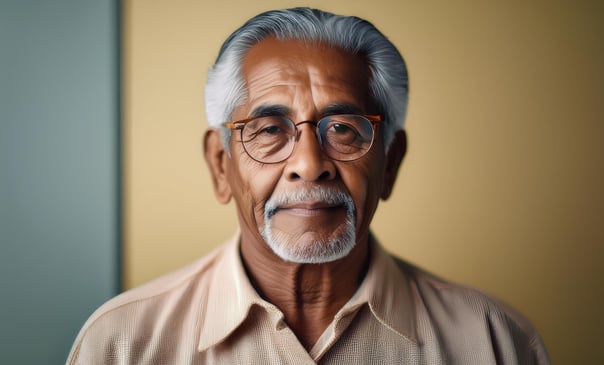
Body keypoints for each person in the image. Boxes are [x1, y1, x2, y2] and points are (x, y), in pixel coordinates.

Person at [66, 7, 550, 364]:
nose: (308, 164)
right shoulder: (124, 343)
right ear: (221, 166)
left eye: (343, 129)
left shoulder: (492, 341)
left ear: (390, 165)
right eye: (270, 129)